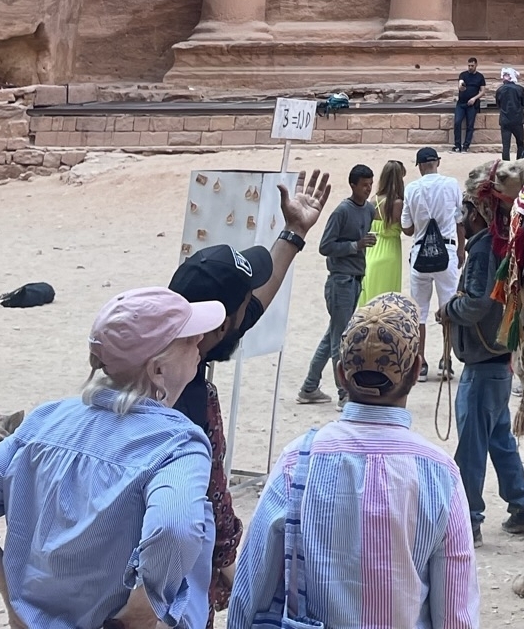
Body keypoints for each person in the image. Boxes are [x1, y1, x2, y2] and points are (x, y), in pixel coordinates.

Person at [0, 286, 221, 629]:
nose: (199, 345)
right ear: (158, 370)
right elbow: (174, 529)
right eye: (188, 340)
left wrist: (13, 594)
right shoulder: (177, 444)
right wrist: (141, 613)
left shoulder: (45, 422)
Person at [227, 295, 477, 629]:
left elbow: (249, 591)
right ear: (417, 370)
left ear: (340, 374)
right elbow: (455, 616)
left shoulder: (296, 462)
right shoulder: (439, 473)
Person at [170, 170, 332, 613]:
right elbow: (206, 493)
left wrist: (294, 232)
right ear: (221, 324)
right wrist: (224, 559)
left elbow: (253, 305)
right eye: (242, 301)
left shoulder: (159, 346)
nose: (252, 304)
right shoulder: (183, 400)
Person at [444, 189, 524, 544]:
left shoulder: (483, 250)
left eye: (467, 210)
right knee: (499, 438)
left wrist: (449, 311)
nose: (463, 217)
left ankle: (469, 519)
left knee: (471, 443)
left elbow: (477, 305)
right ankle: (523, 504)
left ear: (477, 212)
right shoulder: (495, 246)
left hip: (483, 365)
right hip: (497, 361)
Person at [299, 162, 378, 404]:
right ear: (352, 185)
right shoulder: (341, 212)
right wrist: (355, 245)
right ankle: (344, 393)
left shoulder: (369, 210)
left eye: (370, 185)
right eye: (364, 185)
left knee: (333, 334)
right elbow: (325, 246)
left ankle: (310, 387)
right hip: (340, 281)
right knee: (339, 340)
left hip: (355, 279)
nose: (368, 189)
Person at [402, 145, 465, 355]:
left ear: (419, 166)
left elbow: (408, 229)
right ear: (437, 162)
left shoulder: (411, 188)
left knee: (419, 312)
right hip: (447, 251)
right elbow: (460, 220)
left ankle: (420, 360)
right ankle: (445, 358)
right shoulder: (451, 184)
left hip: (420, 253)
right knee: (448, 306)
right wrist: (461, 249)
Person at [361, 160, 407, 303]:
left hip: (372, 251)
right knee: (387, 298)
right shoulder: (398, 203)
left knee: (370, 295)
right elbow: (406, 228)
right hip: (390, 252)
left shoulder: (373, 200)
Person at [453, 57, 485, 153]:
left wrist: (474, 98)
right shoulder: (463, 74)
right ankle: (457, 145)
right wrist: (461, 87)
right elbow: (460, 84)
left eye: (472, 66)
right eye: (469, 65)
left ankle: (466, 146)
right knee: (457, 122)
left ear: (476, 65)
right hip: (461, 103)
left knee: (470, 125)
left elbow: (483, 91)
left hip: (472, 104)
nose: (470, 67)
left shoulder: (480, 77)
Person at [495, 68, 524, 159]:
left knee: (506, 146)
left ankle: (505, 166)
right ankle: (519, 163)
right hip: (518, 120)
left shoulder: (500, 90)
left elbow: (498, 104)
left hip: (505, 120)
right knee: (520, 144)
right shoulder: (519, 89)